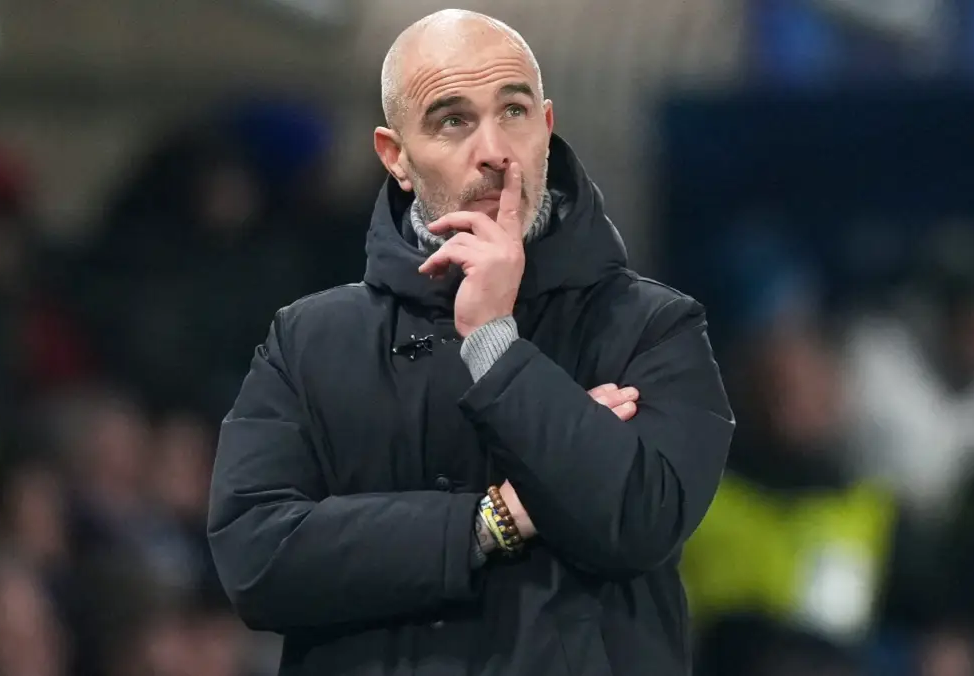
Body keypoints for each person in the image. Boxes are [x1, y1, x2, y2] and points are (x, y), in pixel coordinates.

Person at [207, 9, 733, 676]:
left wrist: (494, 342)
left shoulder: (653, 327)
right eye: (452, 120)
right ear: (395, 156)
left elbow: (637, 522)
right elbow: (255, 560)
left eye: (512, 111)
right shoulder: (309, 340)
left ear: (546, 128)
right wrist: (495, 518)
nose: (494, 150)